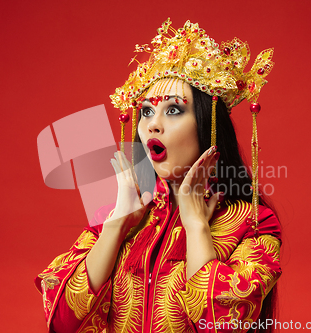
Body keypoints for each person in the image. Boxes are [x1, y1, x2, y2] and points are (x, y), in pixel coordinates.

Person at [35, 18, 281, 333]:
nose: (153, 124)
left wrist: (195, 225)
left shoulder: (252, 222)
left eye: (174, 110)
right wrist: (115, 225)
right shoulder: (118, 217)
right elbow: (62, 322)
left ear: (208, 126)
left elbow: (219, 324)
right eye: (147, 111)